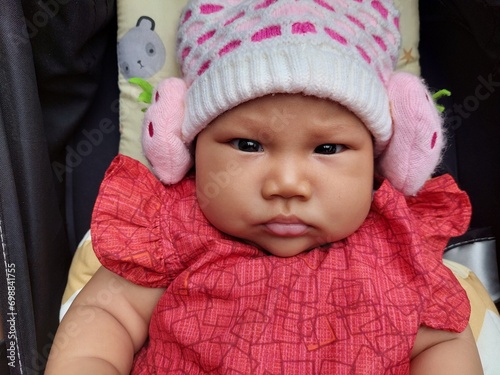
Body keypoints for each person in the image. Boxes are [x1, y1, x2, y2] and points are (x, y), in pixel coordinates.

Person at [45, 0, 484, 374]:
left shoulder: (396, 247)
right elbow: (105, 315)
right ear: (188, 146)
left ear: (378, 159)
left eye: (328, 148)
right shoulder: (171, 232)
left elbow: (443, 340)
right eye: (248, 144)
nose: (286, 184)